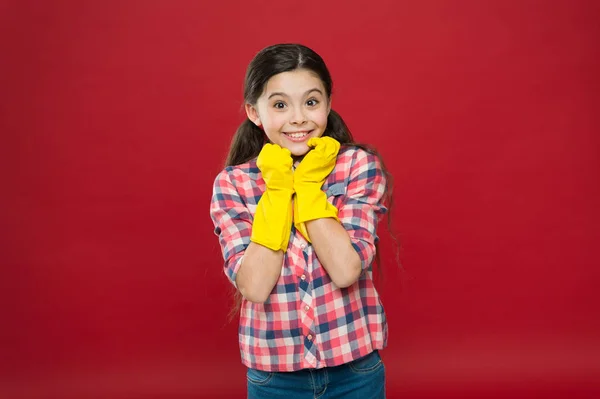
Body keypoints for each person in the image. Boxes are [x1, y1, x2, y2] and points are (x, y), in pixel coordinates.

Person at [210, 43, 394, 398]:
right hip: (273, 380)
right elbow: (255, 286)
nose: (298, 118)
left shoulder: (357, 167)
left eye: (311, 102)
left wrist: (307, 187)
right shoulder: (233, 184)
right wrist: (279, 192)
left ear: (327, 103)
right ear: (254, 112)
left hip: (355, 372)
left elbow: (344, 270)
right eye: (280, 105)